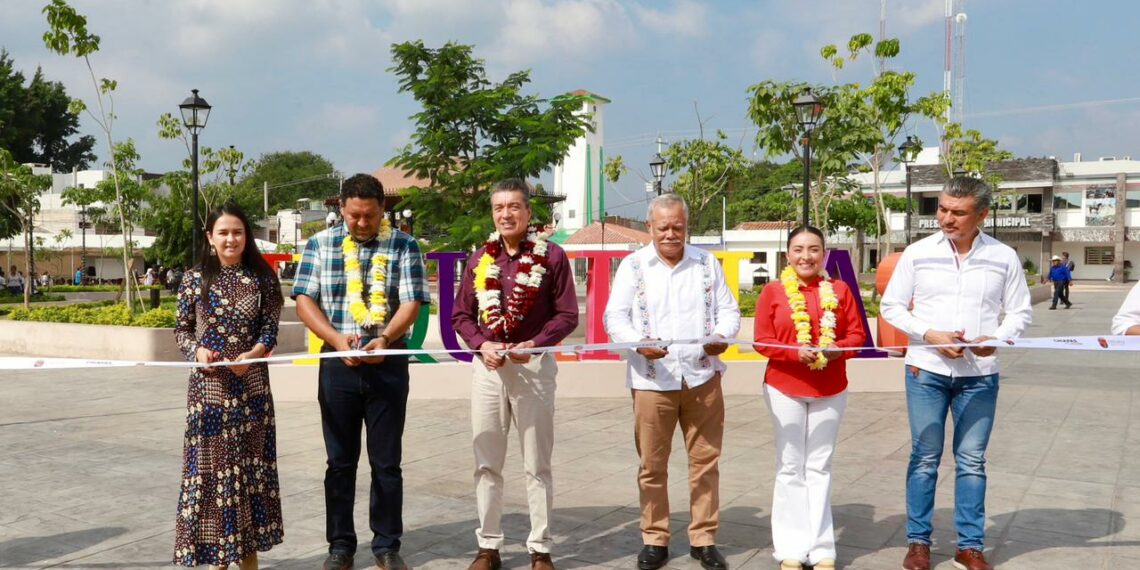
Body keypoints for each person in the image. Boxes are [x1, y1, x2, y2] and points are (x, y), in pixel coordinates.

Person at [881, 176, 1032, 570]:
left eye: (958, 212)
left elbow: (1020, 312)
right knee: (925, 457)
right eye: (942, 209)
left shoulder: (1003, 256)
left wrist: (996, 338)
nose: (946, 218)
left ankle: (969, 546)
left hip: (979, 375)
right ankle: (918, 543)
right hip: (926, 370)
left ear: (981, 214)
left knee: (972, 461)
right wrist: (928, 333)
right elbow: (892, 307)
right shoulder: (916, 253)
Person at [293, 173, 430, 570]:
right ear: (341, 209)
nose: (361, 223)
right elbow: (304, 299)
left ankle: (387, 544)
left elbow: (411, 302)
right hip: (337, 367)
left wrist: (384, 338)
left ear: (382, 210)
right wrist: (336, 341)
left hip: (387, 364)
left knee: (386, 461)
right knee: (340, 461)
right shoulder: (320, 243)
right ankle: (340, 546)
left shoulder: (404, 244)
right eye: (354, 215)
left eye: (369, 215)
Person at [604, 194, 740, 570]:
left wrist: (721, 337)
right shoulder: (633, 267)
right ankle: (655, 538)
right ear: (649, 228)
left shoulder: (706, 263)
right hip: (652, 381)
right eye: (662, 227)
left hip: (702, 377)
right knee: (652, 464)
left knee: (705, 463)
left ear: (686, 227)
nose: (670, 234)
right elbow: (614, 317)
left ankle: (704, 538)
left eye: (677, 226)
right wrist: (637, 343)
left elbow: (729, 310)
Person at [452, 178, 579, 570]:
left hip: (533, 368)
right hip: (488, 371)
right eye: (498, 208)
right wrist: (481, 345)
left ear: (528, 212)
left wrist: (535, 343)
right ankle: (488, 547)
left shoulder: (552, 256)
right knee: (486, 461)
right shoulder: (480, 259)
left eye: (514, 207)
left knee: (536, 464)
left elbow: (567, 315)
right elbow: (460, 315)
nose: (506, 214)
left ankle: (540, 549)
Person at [172, 203, 285, 569]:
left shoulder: (263, 279)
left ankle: (246, 559)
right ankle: (218, 559)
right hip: (209, 392)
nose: (230, 239)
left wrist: (255, 352)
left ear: (246, 236)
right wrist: (198, 351)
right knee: (212, 470)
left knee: (246, 471)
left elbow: (270, 328)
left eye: (237, 232)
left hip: (251, 386)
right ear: (210, 238)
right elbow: (182, 330)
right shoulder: (194, 278)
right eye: (223, 232)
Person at [752, 226, 867, 570]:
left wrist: (837, 350)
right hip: (784, 385)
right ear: (788, 254)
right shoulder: (773, 292)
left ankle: (821, 549)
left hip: (830, 388)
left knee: (819, 466)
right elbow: (762, 340)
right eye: (799, 249)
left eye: (814, 249)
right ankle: (790, 548)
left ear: (824, 254)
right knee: (790, 467)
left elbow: (858, 335)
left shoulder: (841, 290)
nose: (806, 256)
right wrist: (792, 353)